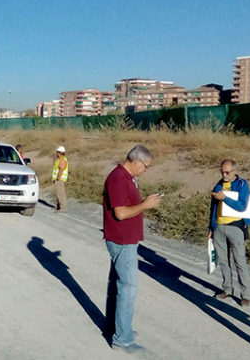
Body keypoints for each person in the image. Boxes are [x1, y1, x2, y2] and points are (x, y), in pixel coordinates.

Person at [103, 145, 161, 354]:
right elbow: (120, 213)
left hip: (124, 239)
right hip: (121, 240)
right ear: (137, 162)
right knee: (128, 289)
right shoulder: (118, 178)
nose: (145, 170)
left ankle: (116, 328)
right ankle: (122, 339)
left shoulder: (126, 177)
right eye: (146, 166)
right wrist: (145, 205)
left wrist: (144, 203)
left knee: (117, 286)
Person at [207, 159, 250, 306]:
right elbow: (213, 208)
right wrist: (211, 227)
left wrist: (225, 198)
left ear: (234, 171)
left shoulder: (242, 185)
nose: (224, 174)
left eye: (227, 172)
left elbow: (241, 206)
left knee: (239, 260)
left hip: (236, 226)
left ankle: (245, 294)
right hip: (219, 226)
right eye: (222, 172)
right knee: (223, 260)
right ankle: (227, 289)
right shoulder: (218, 185)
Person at [52, 145, 68, 213]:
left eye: (57, 152)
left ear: (58, 152)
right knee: (59, 193)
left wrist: (58, 177)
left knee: (61, 193)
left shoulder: (62, 160)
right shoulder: (59, 159)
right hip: (58, 179)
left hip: (60, 179)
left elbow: (61, 169)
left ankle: (63, 208)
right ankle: (59, 206)